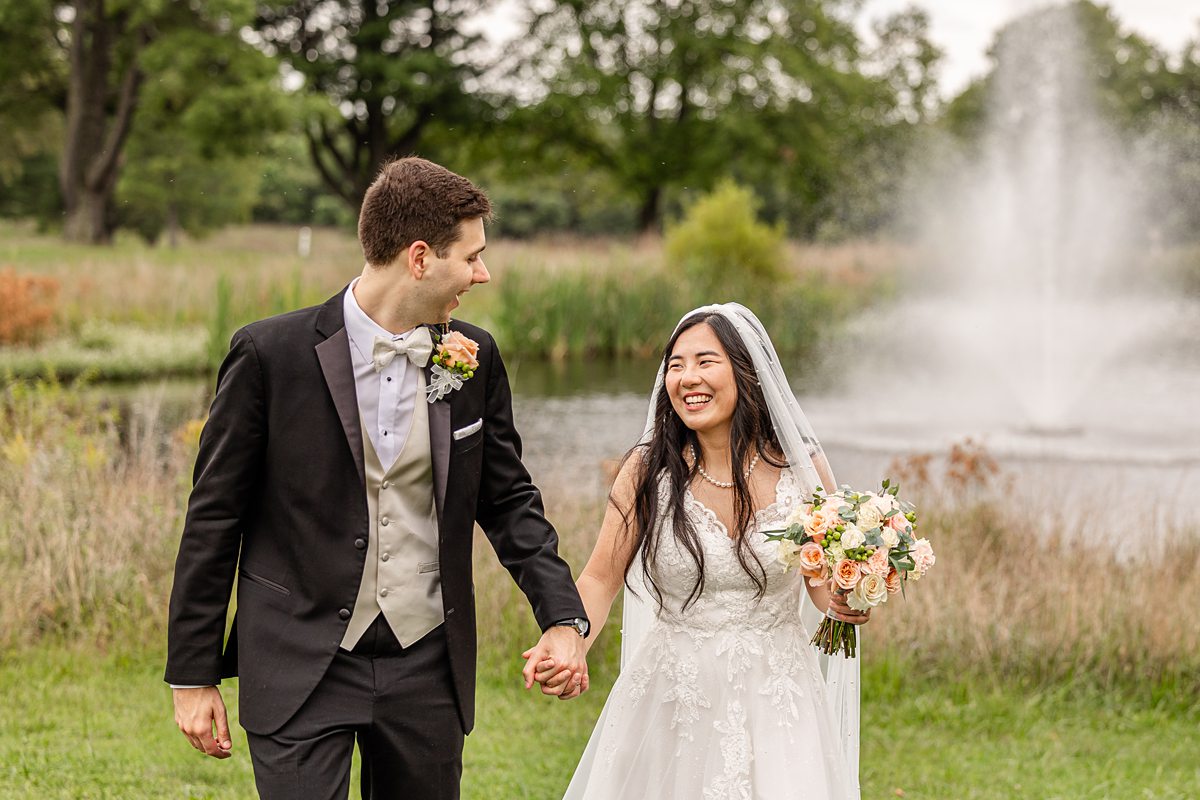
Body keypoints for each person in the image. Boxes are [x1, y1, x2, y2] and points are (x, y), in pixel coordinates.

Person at [165, 157, 590, 800]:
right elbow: (214, 520)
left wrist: (562, 616)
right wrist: (192, 675)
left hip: (426, 660)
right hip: (299, 654)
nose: (484, 273)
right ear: (419, 258)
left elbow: (507, 501)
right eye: (471, 257)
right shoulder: (267, 356)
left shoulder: (473, 357)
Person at [533, 304, 865, 799]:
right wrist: (568, 637)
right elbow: (601, 578)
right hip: (675, 697)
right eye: (675, 364)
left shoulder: (803, 469)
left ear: (745, 370)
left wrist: (845, 593)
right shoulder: (646, 473)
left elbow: (820, 586)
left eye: (706, 361)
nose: (688, 377)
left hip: (778, 694)